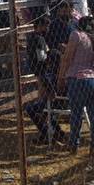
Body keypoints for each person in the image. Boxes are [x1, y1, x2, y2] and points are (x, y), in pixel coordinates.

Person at [24, 16, 65, 145]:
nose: (47, 29)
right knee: (44, 106)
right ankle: (52, 133)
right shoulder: (39, 39)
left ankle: (49, 133)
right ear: (39, 26)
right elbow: (42, 57)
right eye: (45, 26)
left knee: (42, 107)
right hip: (43, 75)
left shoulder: (30, 38)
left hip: (42, 75)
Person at [57, 16, 94, 154]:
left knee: (76, 114)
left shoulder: (76, 35)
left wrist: (61, 77)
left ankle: (73, 144)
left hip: (76, 78)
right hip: (91, 78)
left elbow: (67, 58)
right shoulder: (91, 38)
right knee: (92, 114)